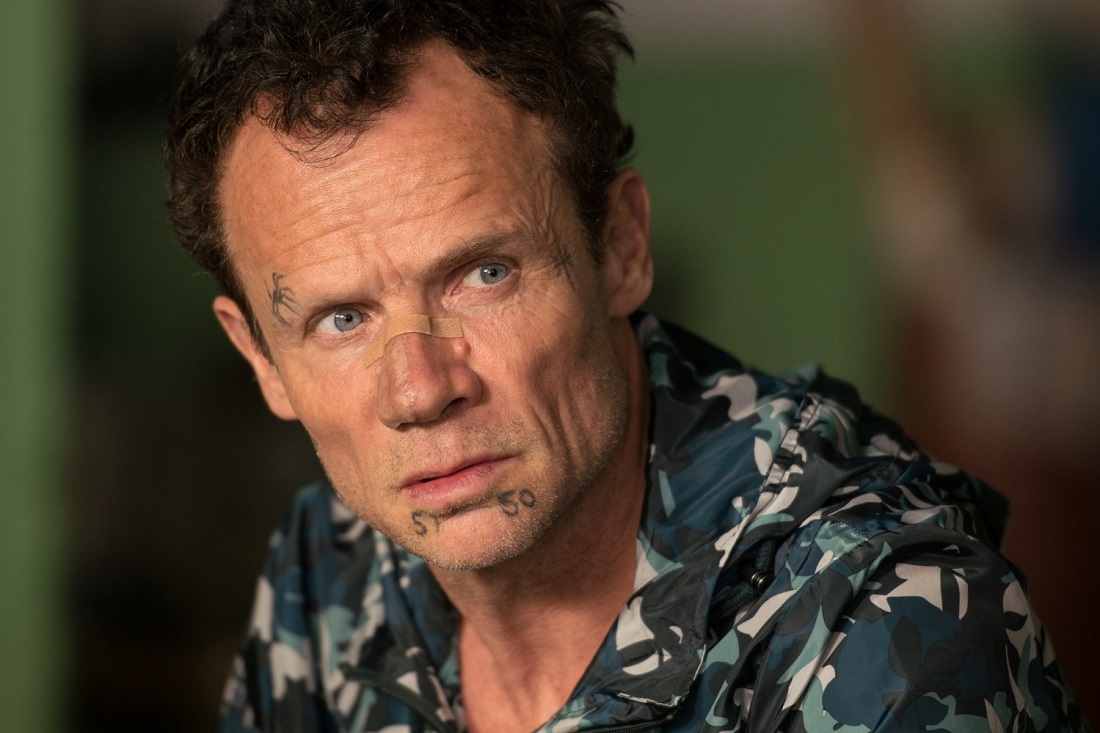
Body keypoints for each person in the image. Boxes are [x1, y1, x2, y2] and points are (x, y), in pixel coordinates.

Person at [165, 1, 1088, 731]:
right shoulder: (328, 567)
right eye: (340, 319)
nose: (421, 389)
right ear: (261, 358)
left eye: (484, 273)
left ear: (620, 247)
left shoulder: (884, 629)